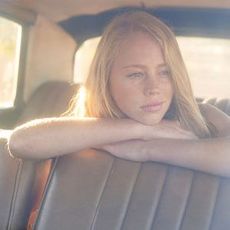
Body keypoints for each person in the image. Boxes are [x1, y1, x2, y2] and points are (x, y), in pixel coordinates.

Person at [8, 10, 230, 176]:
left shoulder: (202, 118)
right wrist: (142, 129)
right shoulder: (88, 129)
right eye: (136, 75)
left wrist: (146, 150)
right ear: (106, 79)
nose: (153, 88)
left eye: (165, 72)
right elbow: (21, 142)